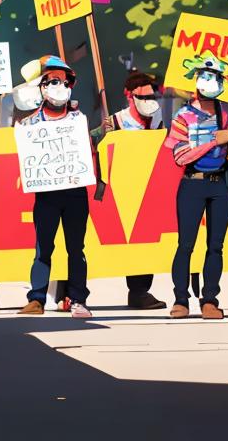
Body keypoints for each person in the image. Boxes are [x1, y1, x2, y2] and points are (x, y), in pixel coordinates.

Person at [166, 52, 228, 320]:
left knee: (216, 245)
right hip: (192, 184)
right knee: (185, 244)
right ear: (196, 79)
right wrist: (215, 140)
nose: (211, 81)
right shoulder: (183, 116)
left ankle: (210, 300)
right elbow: (180, 156)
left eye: (215, 77)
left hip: (220, 185)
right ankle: (181, 299)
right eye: (206, 76)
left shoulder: (227, 110)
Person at [17, 56, 100, 320]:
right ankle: (36, 298)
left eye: (65, 82)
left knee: (76, 248)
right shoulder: (29, 124)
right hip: (47, 196)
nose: (60, 87)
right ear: (42, 87)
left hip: (75, 193)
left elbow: (89, 153)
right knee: (43, 248)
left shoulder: (79, 120)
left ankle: (78, 299)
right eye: (53, 81)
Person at [93, 71, 168, 311]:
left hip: (147, 191)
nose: (148, 102)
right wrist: (101, 134)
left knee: (145, 242)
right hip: (119, 192)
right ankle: (69, 292)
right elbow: (92, 144)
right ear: (129, 96)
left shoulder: (157, 120)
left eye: (151, 97)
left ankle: (139, 291)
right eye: (142, 97)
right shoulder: (115, 122)